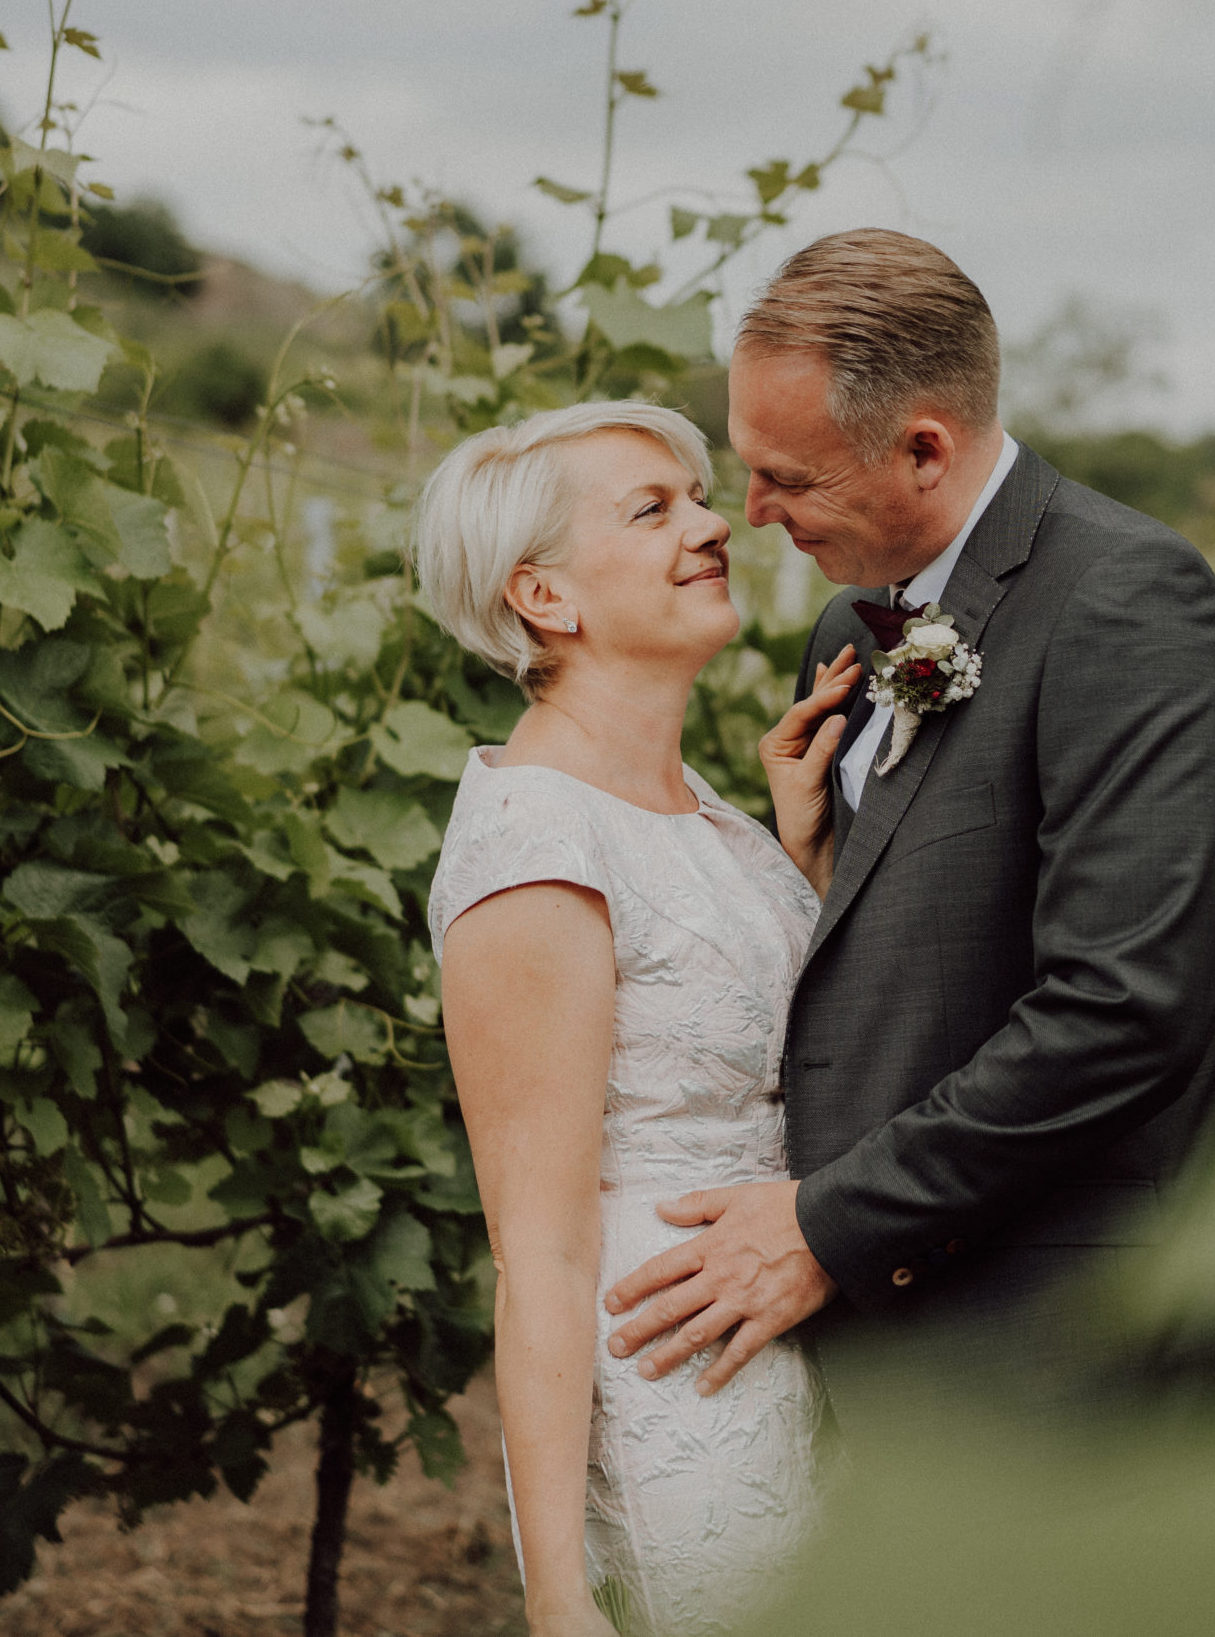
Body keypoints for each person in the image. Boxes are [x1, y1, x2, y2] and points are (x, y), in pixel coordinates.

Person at [601, 229, 1215, 1453]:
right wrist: (821, 871)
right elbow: (927, 953)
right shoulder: (848, 629)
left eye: (787, 478)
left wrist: (825, 1225)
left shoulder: (1127, 600)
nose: (750, 515)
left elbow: (1127, 1006)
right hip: (895, 1344)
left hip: (1077, 1348)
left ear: (923, 448)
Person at [419, 402, 858, 1637]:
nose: (715, 525)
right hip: (680, 1382)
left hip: (799, 1329)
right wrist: (557, 1595)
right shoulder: (536, 847)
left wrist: (802, 858)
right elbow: (539, 1254)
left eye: (700, 497)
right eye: (653, 508)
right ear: (545, 598)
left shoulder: (702, 811)